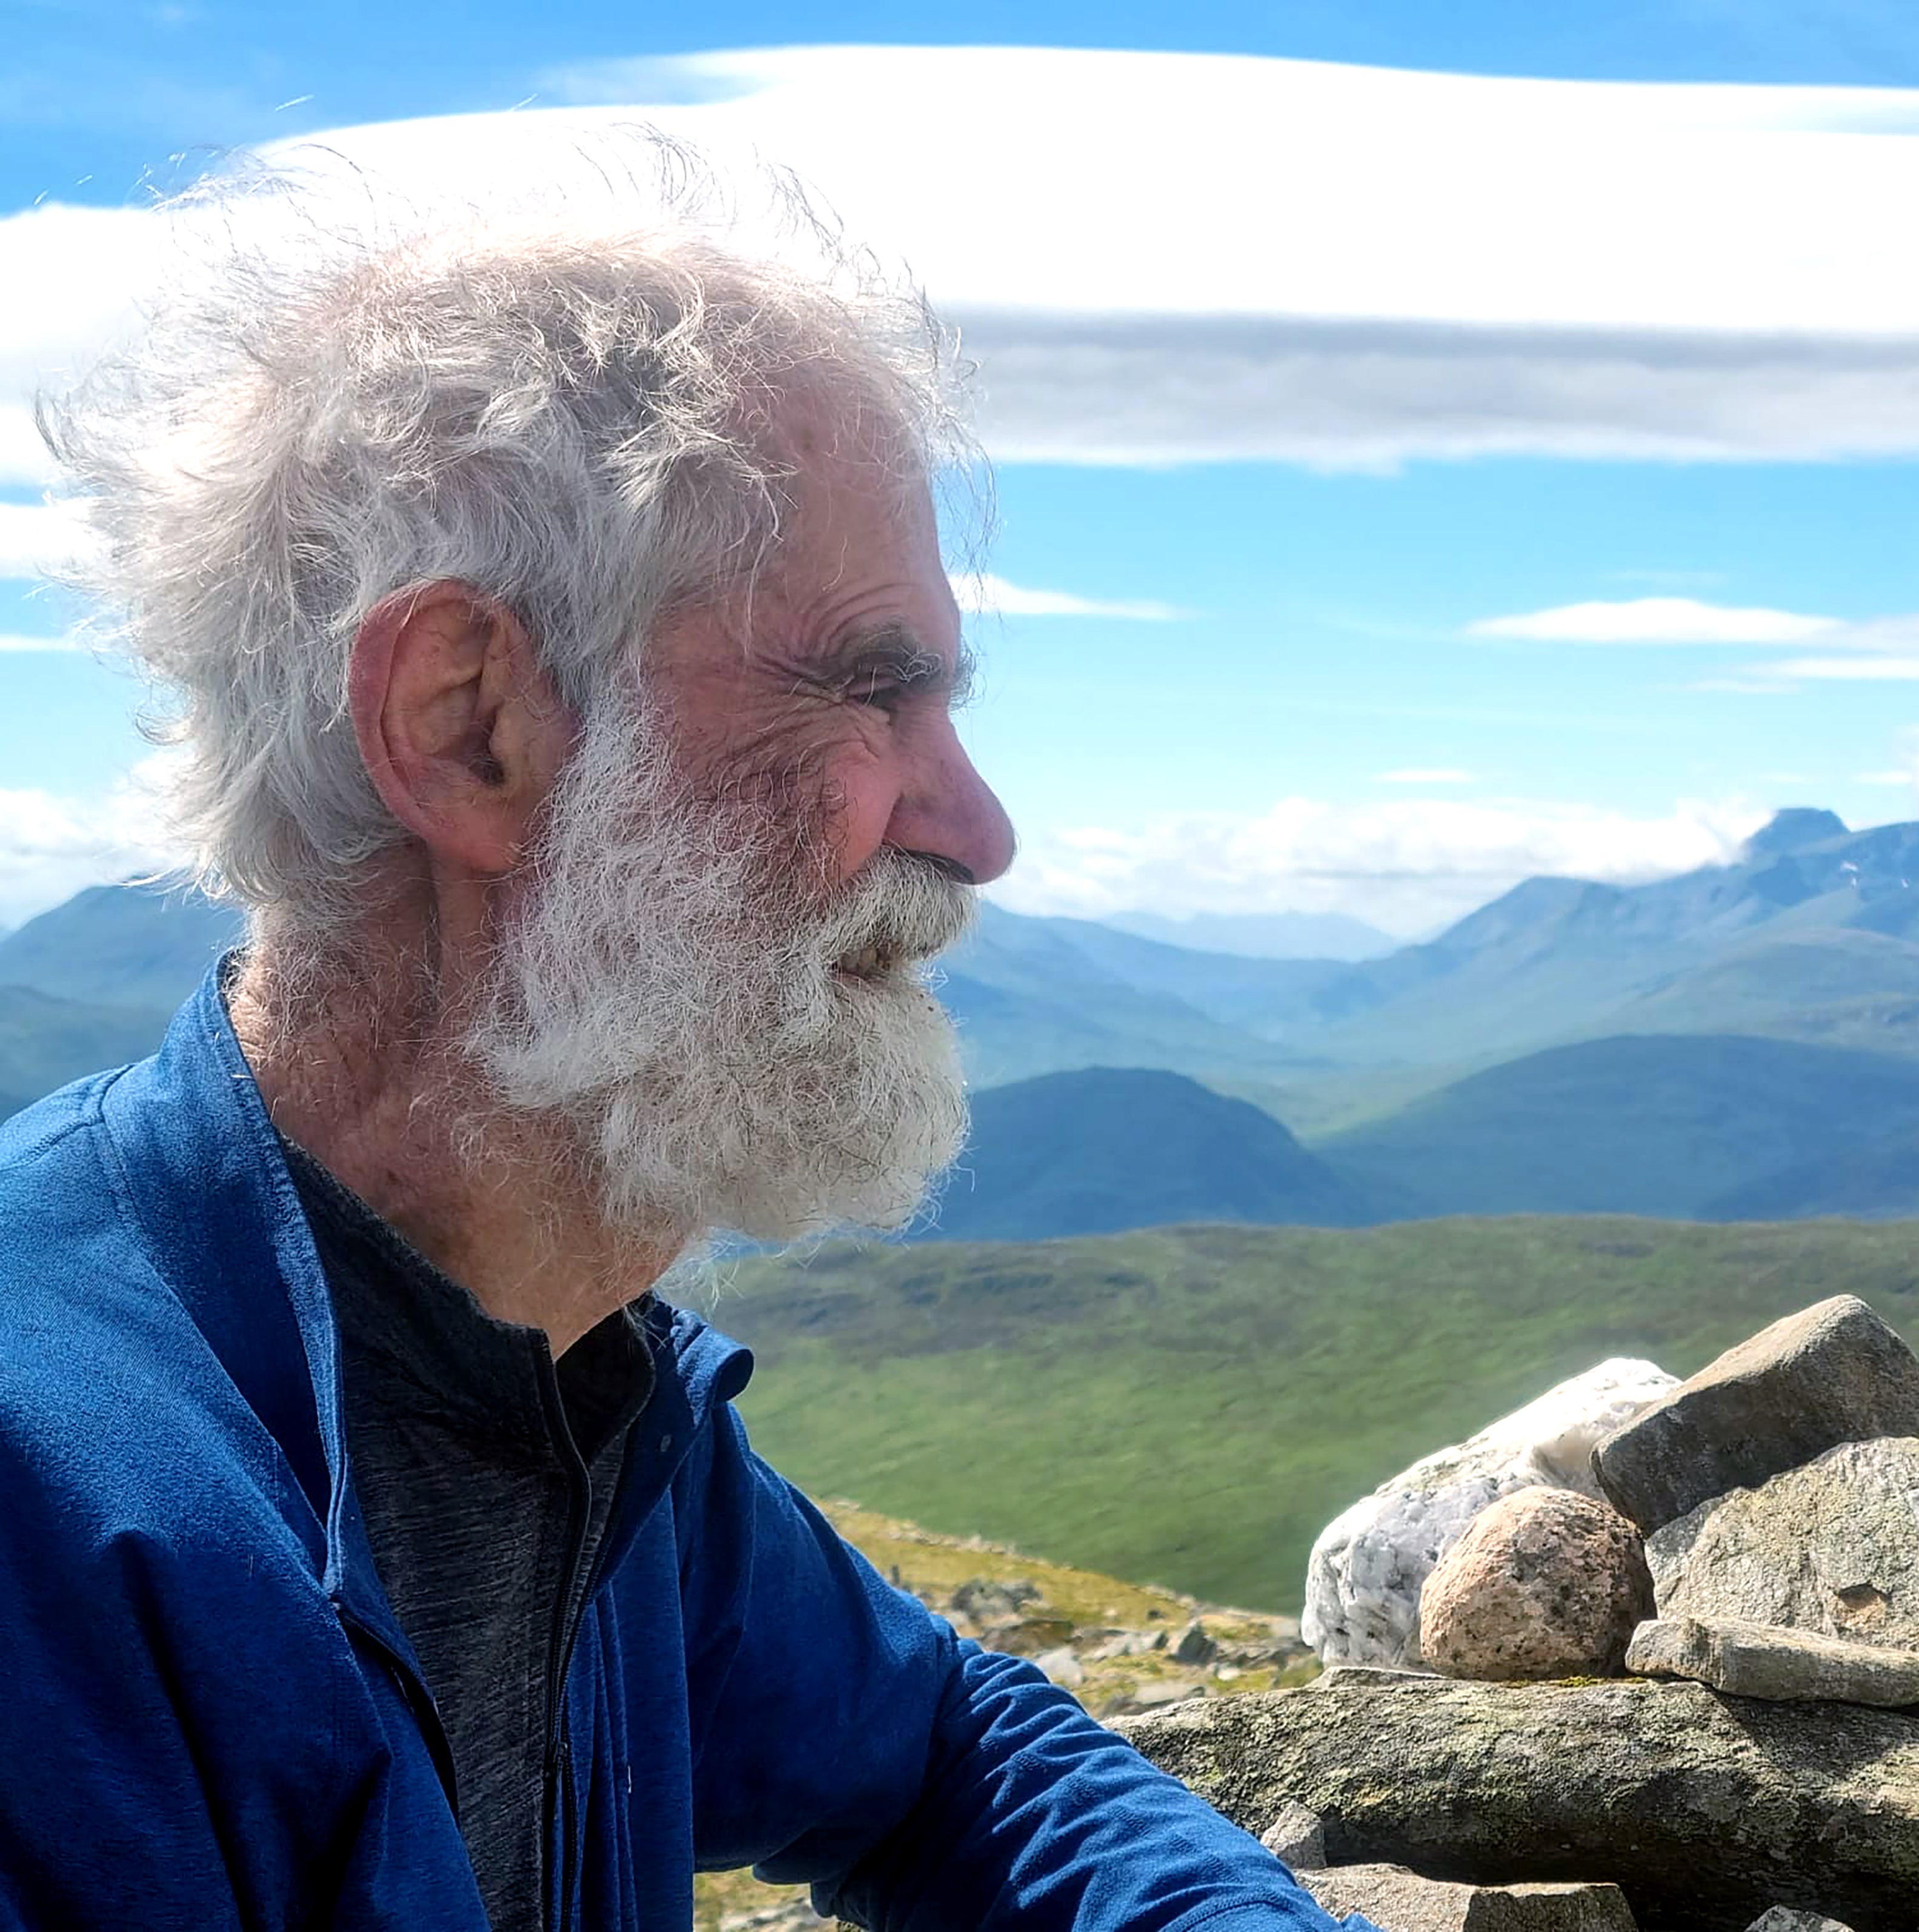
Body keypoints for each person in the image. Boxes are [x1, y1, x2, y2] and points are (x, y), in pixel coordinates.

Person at [0, 152, 1351, 1932]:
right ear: (469, 726)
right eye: (869, 687)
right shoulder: (50, 1523)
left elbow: (951, 1750)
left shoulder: (563, 1379)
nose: (976, 825)